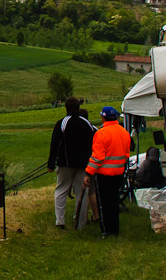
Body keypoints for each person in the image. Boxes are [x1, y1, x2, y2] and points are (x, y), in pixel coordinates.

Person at [48, 96, 96, 230]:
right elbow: (91, 144)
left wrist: (51, 163)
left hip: (65, 163)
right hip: (83, 164)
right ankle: (80, 223)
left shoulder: (62, 123)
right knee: (81, 193)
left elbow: (55, 144)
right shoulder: (86, 123)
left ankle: (60, 221)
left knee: (61, 190)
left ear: (66, 108)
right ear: (78, 107)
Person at [84, 106, 132, 238]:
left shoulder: (101, 133)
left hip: (104, 174)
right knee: (114, 202)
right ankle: (115, 229)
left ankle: (106, 231)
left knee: (104, 204)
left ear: (103, 117)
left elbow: (97, 157)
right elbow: (127, 153)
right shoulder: (124, 132)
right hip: (119, 172)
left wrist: (88, 173)